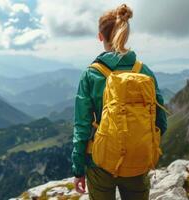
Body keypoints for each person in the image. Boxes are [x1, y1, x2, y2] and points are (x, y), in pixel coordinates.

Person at [71, 4, 168, 200]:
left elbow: (81, 127)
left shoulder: (91, 74)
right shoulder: (144, 71)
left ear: (100, 36)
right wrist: (137, 144)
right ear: (125, 34)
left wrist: (78, 169)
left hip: (100, 162)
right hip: (138, 161)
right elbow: (161, 122)